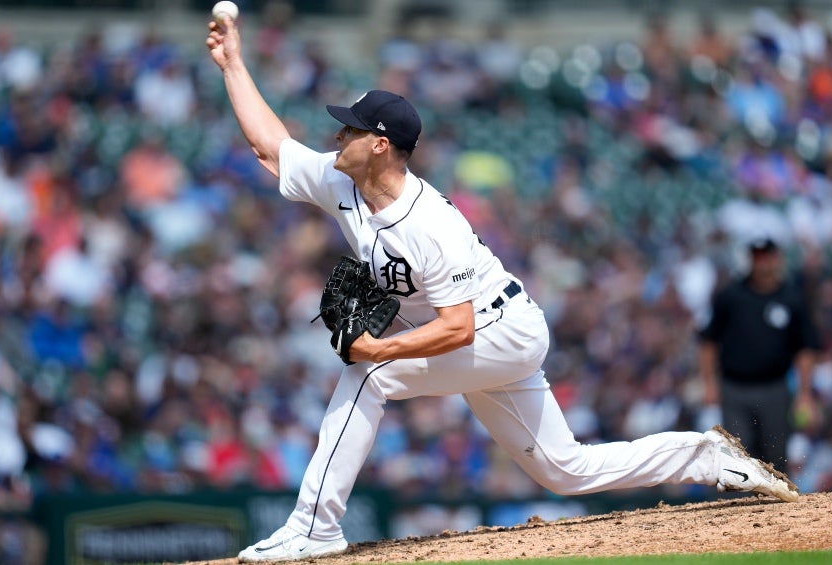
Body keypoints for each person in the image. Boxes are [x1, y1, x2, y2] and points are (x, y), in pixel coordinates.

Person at [205, 16, 799, 563]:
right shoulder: (343, 182)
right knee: (565, 470)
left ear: (380, 144)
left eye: (350, 128)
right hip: (478, 335)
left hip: (501, 329)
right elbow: (269, 146)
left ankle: (316, 527)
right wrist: (233, 63)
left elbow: (458, 327)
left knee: (367, 375)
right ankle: (707, 455)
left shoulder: (429, 224)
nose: (336, 136)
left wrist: (378, 350)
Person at [698, 237, 820, 474]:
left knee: (775, 455)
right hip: (735, 389)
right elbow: (708, 342)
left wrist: (805, 393)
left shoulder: (792, 299)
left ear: (778, 259)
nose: (762, 263)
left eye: (767, 256)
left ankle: (777, 509)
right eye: (757, 257)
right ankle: (739, 509)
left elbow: (805, 349)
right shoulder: (731, 297)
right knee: (737, 453)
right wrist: (709, 383)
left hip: (774, 388)